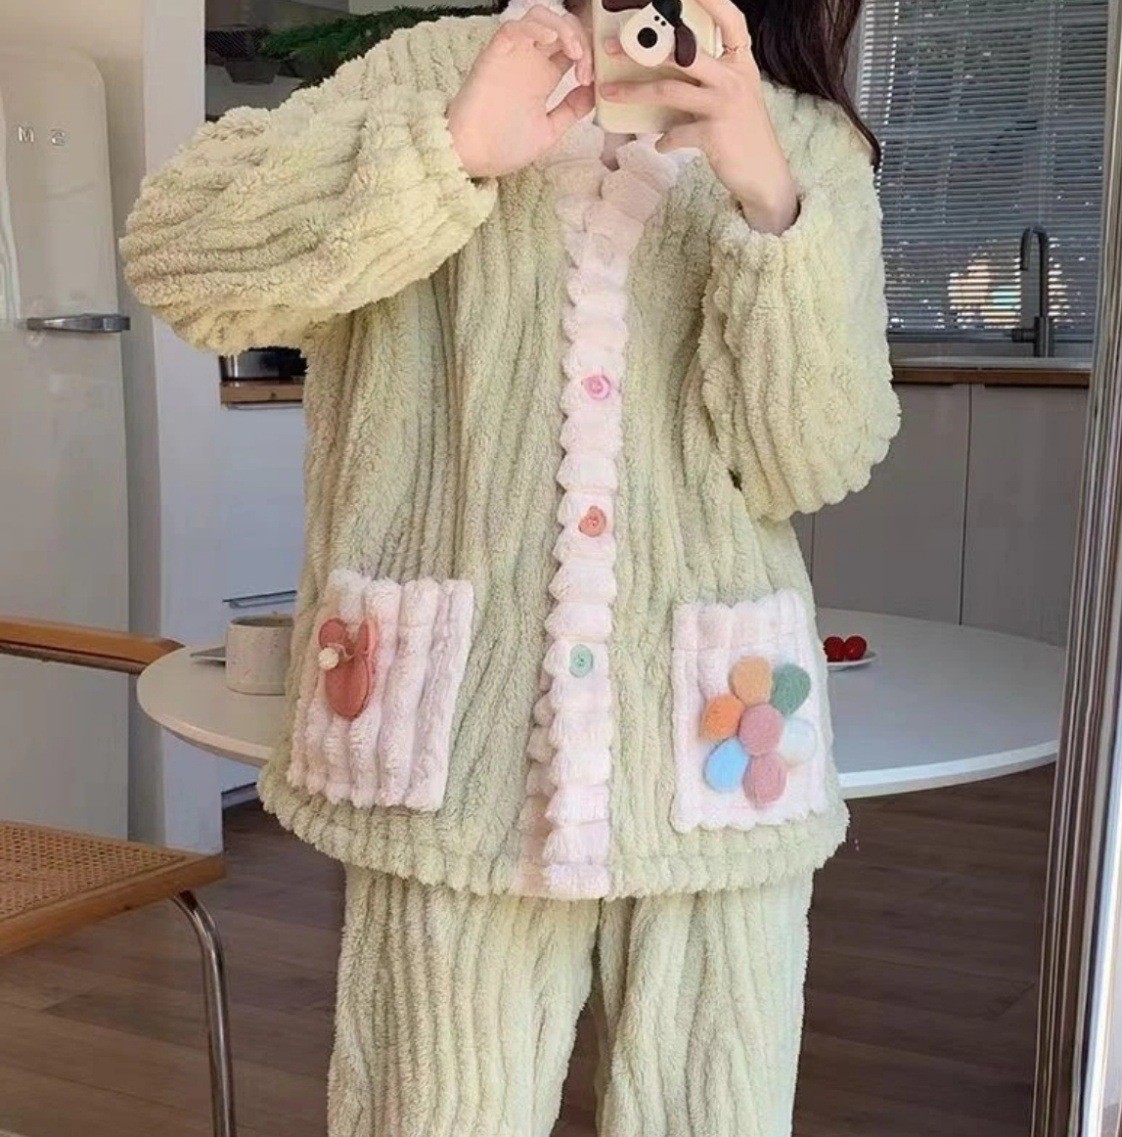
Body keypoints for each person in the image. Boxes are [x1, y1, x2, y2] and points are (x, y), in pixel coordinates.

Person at [122, 0, 899, 1132]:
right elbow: (182, 258)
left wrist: (768, 203)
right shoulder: (433, 73)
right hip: (458, 755)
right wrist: (445, 150)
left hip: (716, 747)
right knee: (433, 1108)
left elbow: (810, 460)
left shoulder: (802, 144)